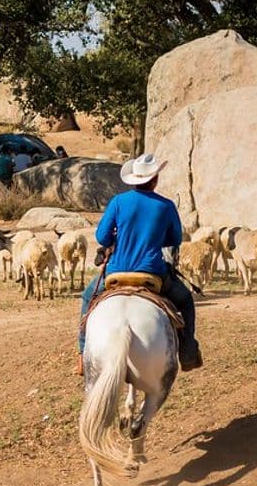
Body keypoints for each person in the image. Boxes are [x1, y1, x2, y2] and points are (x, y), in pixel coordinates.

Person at [75, 153, 201, 375]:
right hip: (153, 272)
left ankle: (82, 355)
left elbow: (103, 238)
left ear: (134, 180)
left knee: (87, 297)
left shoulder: (118, 202)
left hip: (116, 271)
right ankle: (188, 351)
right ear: (155, 180)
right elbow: (175, 239)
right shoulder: (166, 205)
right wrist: (152, 237)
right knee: (186, 300)